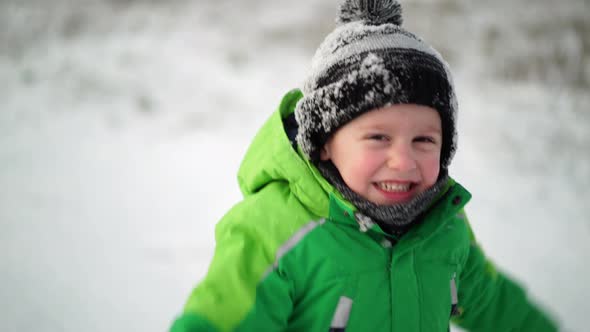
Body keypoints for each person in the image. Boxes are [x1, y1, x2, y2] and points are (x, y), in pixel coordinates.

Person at [171, 0, 558, 331]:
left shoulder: (444, 226)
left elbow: (494, 303)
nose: (403, 161)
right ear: (323, 144)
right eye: (378, 138)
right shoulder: (275, 231)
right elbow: (221, 318)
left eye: (424, 140)